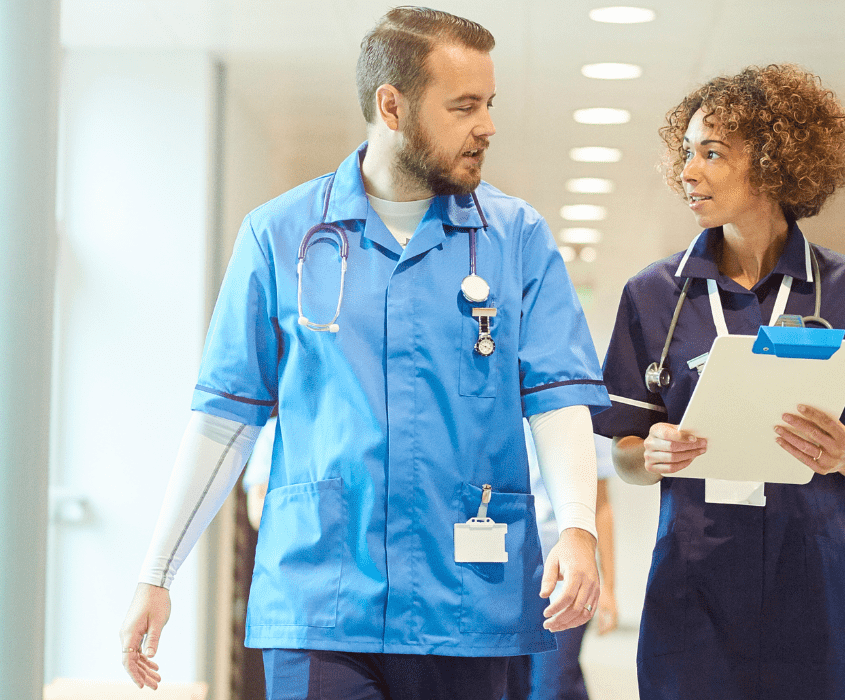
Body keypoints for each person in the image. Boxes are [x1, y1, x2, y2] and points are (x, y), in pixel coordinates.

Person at [116, 8, 612, 700]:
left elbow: (556, 398)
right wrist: (157, 571)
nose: (487, 126)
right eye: (464, 106)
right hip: (320, 598)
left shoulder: (516, 238)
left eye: (489, 104)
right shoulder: (281, 235)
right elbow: (226, 416)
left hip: (464, 595)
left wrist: (581, 529)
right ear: (392, 106)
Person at [593, 64, 845, 700]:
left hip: (813, 582)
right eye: (687, 152)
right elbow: (625, 456)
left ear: (776, 163)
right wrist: (653, 454)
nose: (688, 171)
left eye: (712, 153)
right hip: (693, 581)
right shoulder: (653, 295)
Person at [506, 437, 619, 700]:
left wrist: (609, 587)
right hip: (507, 578)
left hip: (564, 579)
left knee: (554, 687)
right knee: (508, 689)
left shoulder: (586, 423)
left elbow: (600, 504)